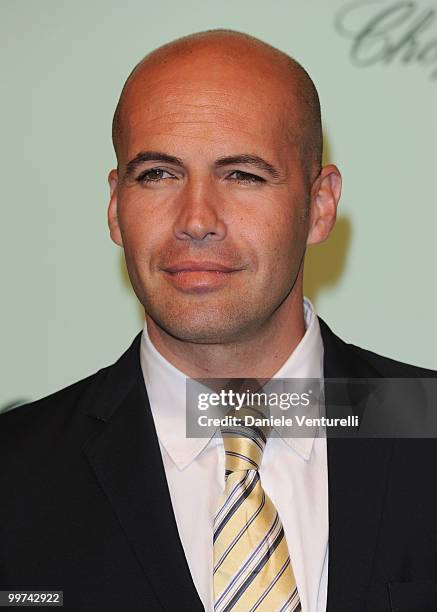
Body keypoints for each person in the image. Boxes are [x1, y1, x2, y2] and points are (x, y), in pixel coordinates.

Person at [1, 29, 436, 612]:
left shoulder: (427, 427)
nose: (197, 220)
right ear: (114, 206)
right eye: (157, 174)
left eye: (243, 175)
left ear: (321, 205)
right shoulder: (13, 474)